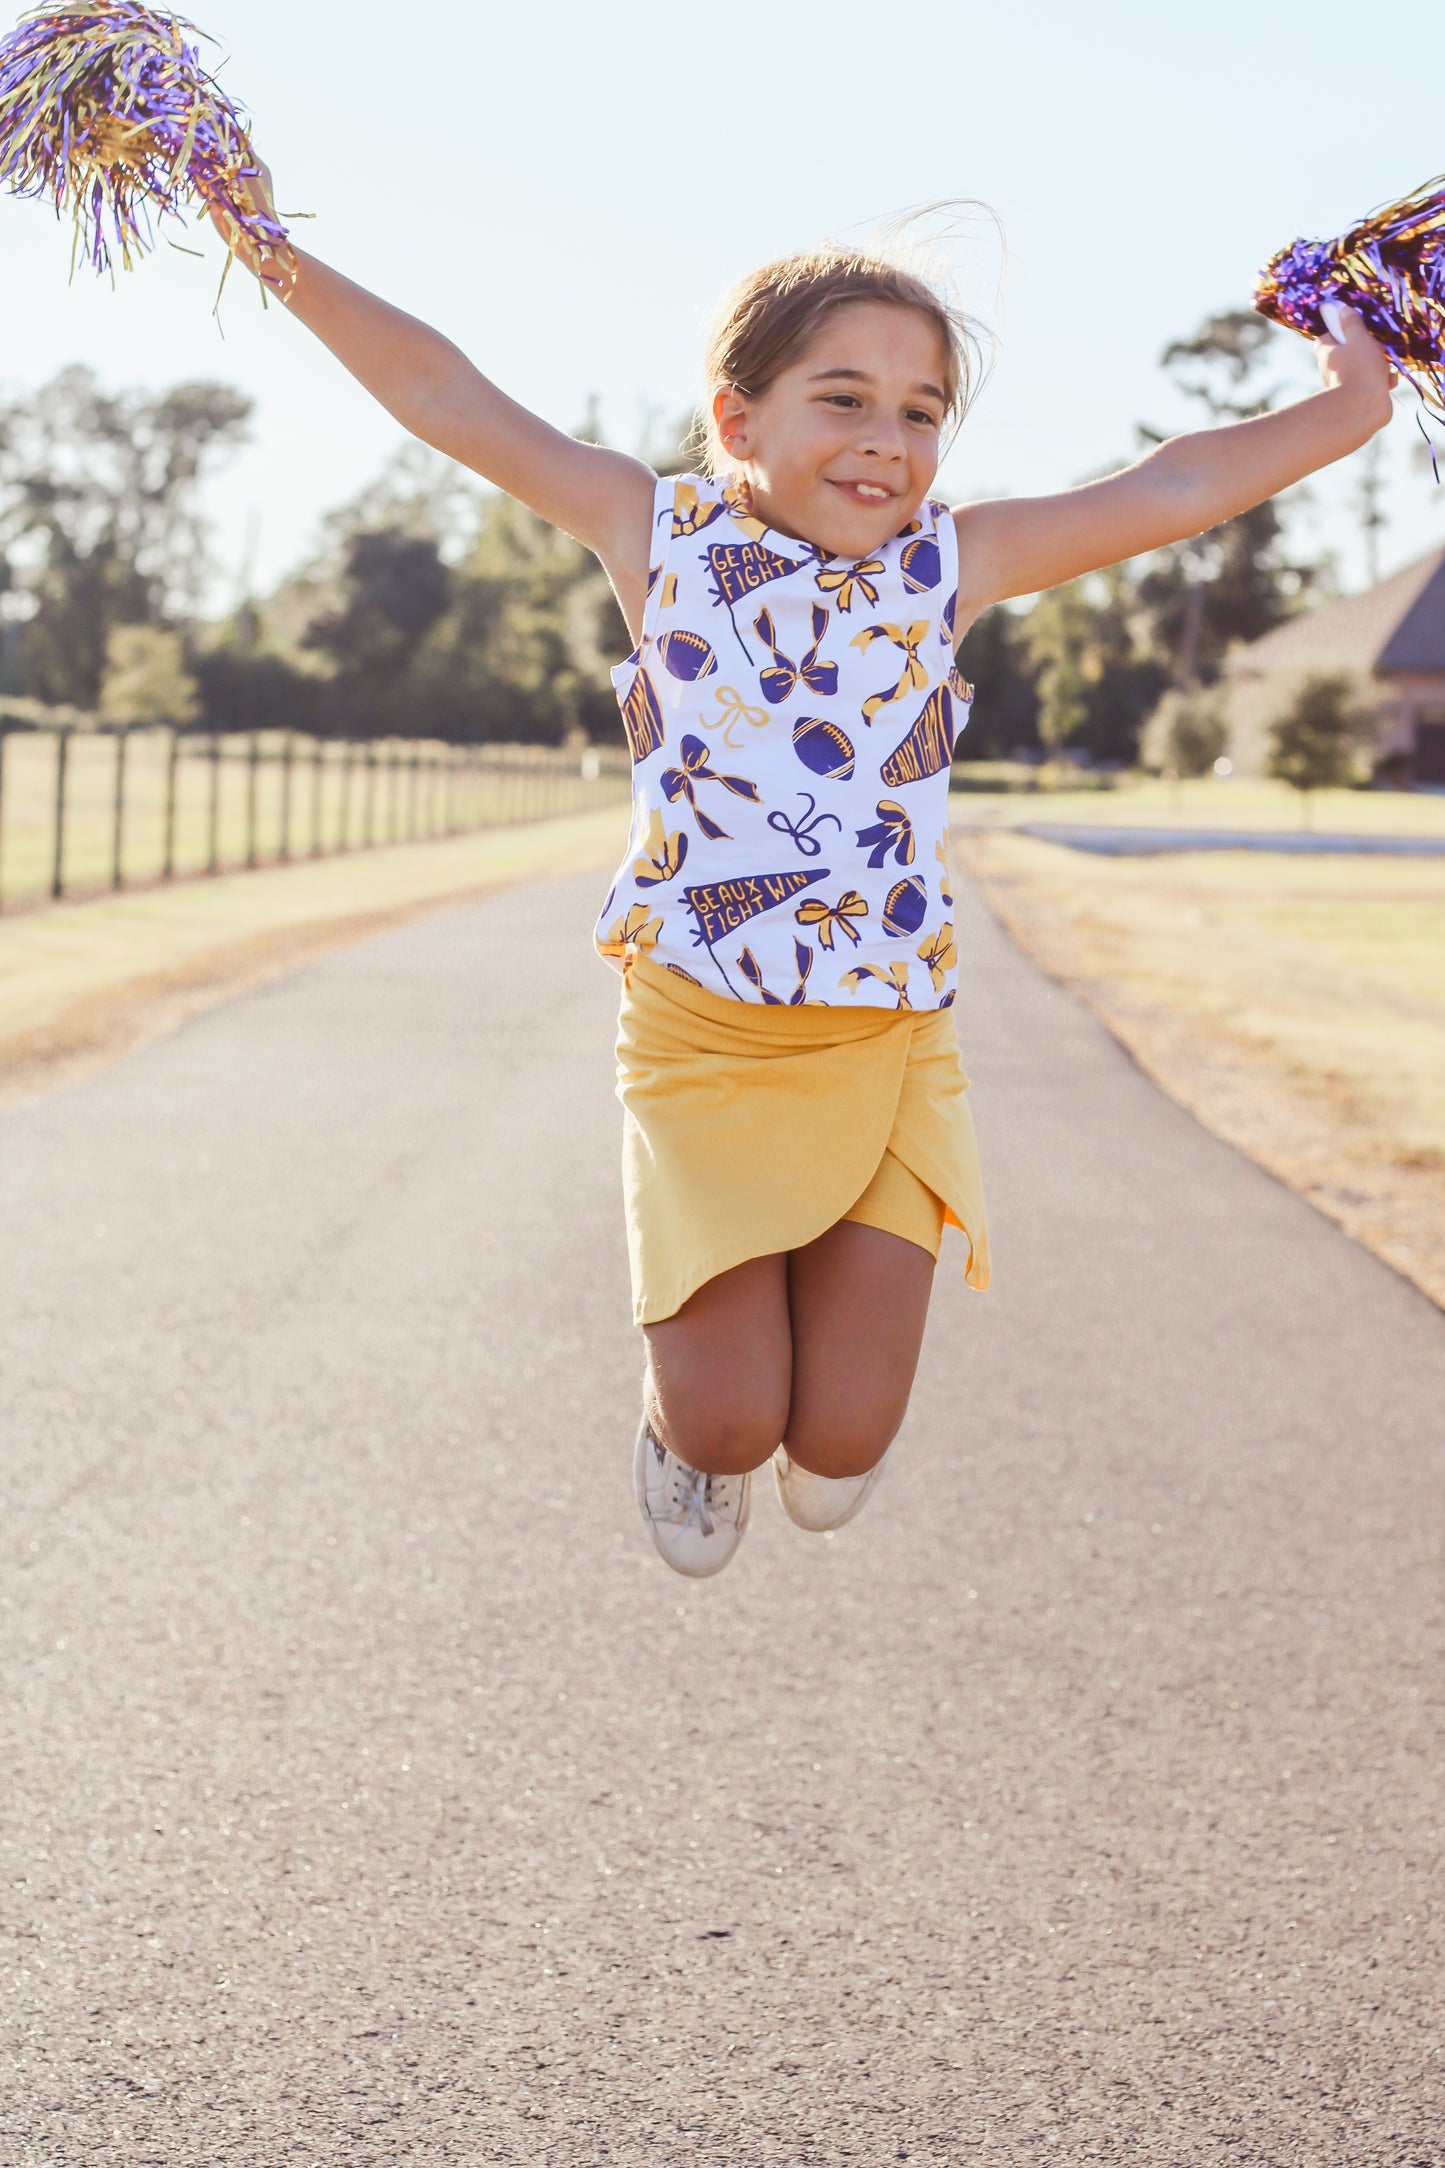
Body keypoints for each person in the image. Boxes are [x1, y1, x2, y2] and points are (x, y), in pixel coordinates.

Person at [219, 183, 1393, 1579]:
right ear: (738, 422)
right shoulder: (654, 535)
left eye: (918, 411)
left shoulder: (951, 565)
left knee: (835, 1452)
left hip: (887, 1036)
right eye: (842, 399)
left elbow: (1176, 487)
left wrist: (1353, 405)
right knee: (729, 1428)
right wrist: (263, 246)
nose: (887, 442)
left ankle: (810, 1414)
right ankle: (684, 1433)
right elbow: (445, 395)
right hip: (704, 1037)